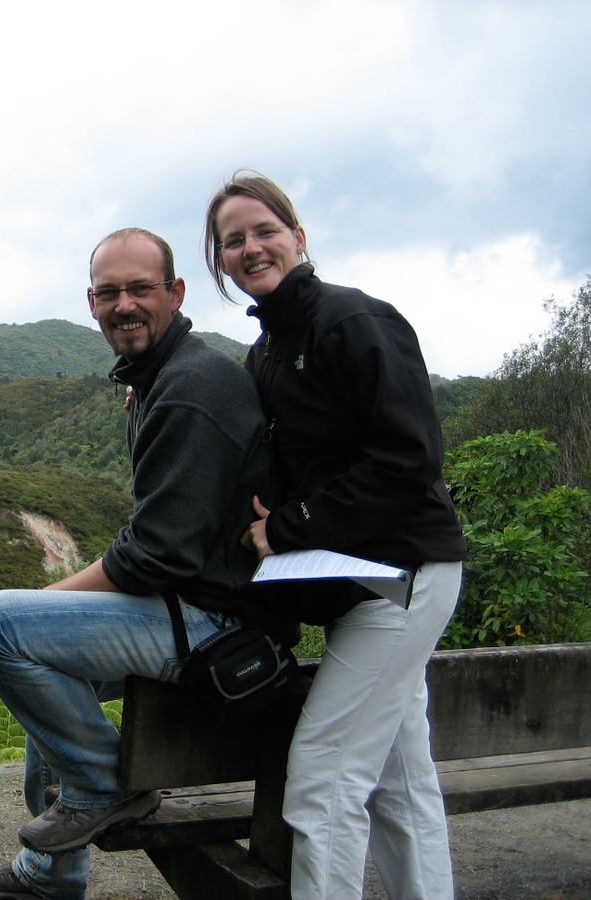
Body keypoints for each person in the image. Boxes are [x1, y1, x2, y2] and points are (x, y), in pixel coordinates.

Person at [0, 227, 289, 900]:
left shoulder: (192, 386)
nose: (125, 305)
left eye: (141, 288)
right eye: (109, 293)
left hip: (214, 625)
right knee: (46, 688)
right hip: (192, 608)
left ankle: (106, 786)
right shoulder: (161, 379)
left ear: (174, 293)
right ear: (90, 303)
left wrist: (47, 600)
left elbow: (156, 554)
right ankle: (50, 878)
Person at [202, 171, 468, 900]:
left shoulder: (353, 323)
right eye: (233, 240)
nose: (252, 247)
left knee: (322, 780)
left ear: (298, 237)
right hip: (364, 584)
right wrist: (149, 388)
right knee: (399, 782)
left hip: (403, 574)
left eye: (265, 231)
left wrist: (287, 528)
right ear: (221, 262)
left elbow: (408, 460)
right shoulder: (269, 349)